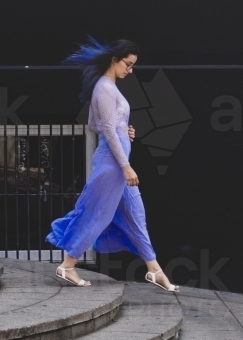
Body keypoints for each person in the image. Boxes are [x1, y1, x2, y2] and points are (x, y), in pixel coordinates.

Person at [46, 38, 178, 291]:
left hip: (117, 160)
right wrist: (125, 165)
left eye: (132, 66)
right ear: (114, 60)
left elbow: (95, 125)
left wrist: (124, 130)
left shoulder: (109, 88)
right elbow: (104, 129)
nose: (130, 70)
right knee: (98, 212)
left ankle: (155, 270)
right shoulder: (104, 88)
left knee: (136, 216)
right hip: (112, 164)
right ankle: (67, 265)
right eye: (128, 64)